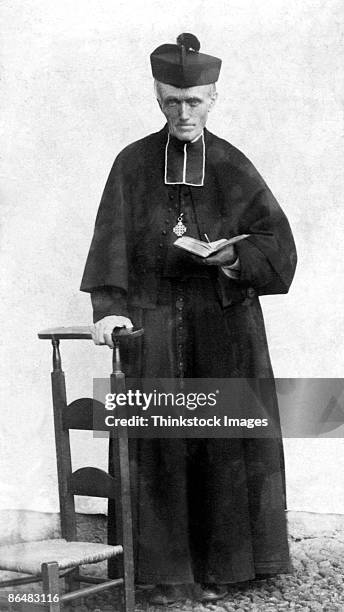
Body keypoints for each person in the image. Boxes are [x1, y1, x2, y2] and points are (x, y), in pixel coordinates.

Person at [80, 33, 297, 604]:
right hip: (151, 325)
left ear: (214, 97)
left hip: (223, 326)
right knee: (157, 444)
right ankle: (161, 574)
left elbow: (278, 247)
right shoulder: (131, 162)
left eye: (194, 101)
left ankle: (230, 570)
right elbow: (111, 243)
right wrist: (108, 310)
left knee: (222, 439)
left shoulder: (230, 162)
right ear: (157, 98)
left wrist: (232, 256)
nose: (184, 112)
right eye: (173, 100)